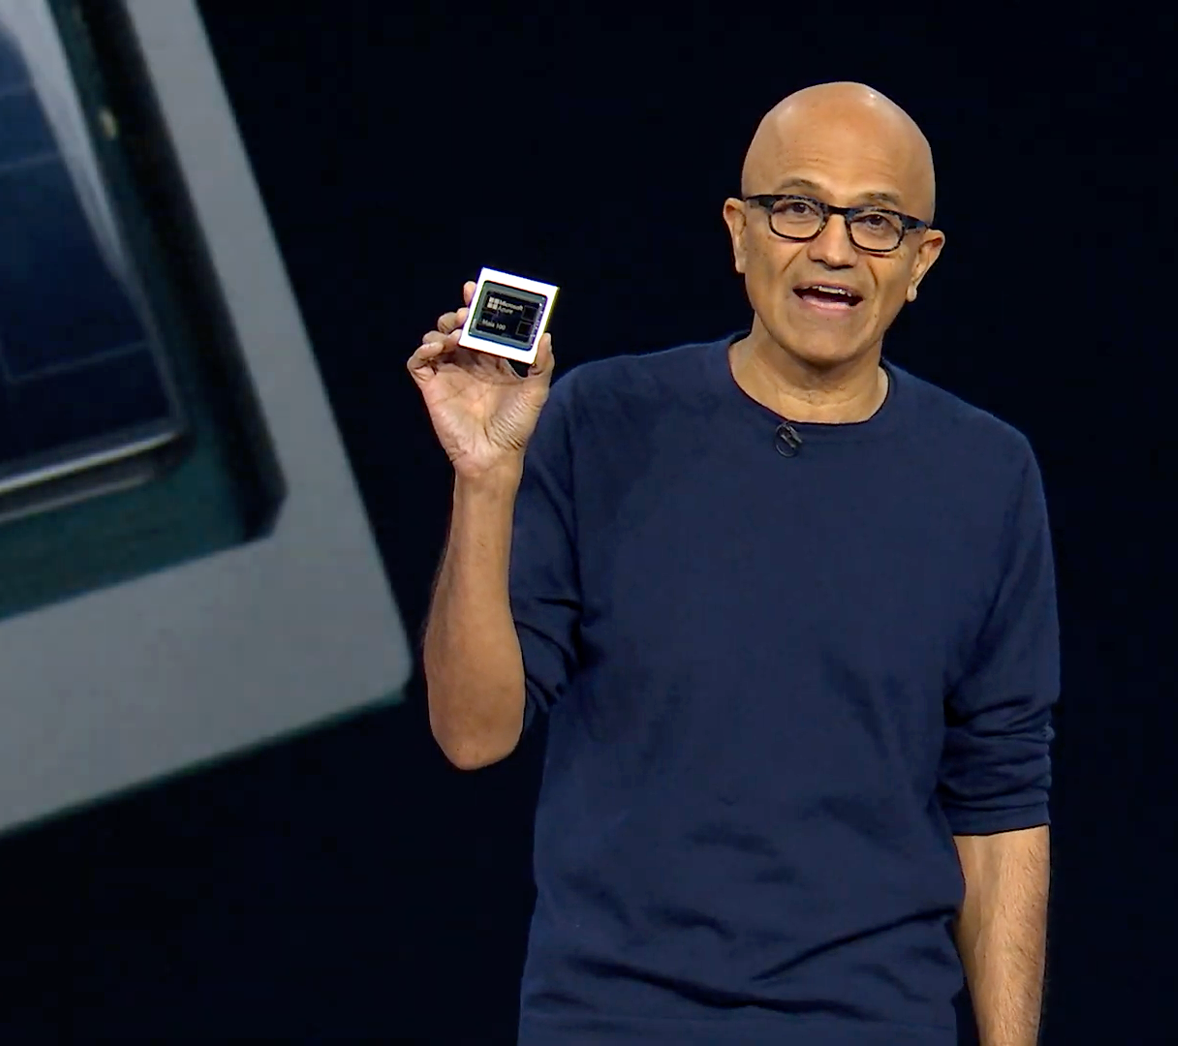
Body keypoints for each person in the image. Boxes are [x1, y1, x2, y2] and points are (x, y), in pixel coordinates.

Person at [408, 81, 1059, 1046]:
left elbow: (1000, 804)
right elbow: (473, 731)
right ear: (739, 231)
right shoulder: (599, 421)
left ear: (921, 261)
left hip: (870, 1021)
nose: (833, 247)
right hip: (611, 1017)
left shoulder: (988, 473)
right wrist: (484, 481)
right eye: (797, 208)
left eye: (875, 221)